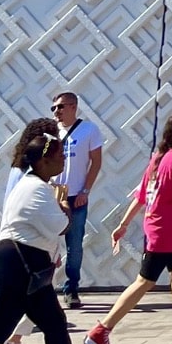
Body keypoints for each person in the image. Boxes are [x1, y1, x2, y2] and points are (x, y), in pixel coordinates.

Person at [85, 113, 172, 344]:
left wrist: (124, 224)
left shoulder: (159, 159)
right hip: (166, 233)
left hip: (160, 229)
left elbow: (141, 196)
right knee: (144, 281)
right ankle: (101, 330)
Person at [0, 127, 113, 344]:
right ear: (42, 161)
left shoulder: (35, 184)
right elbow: (61, 226)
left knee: (56, 326)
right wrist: (63, 205)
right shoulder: (35, 188)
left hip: (29, 272)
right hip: (15, 270)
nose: (64, 160)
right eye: (60, 155)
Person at [0, 118, 58, 344]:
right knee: (7, 316)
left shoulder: (22, 171)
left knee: (52, 321)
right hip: (26, 254)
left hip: (26, 253)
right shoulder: (27, 176)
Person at [50, 90, 103, 309]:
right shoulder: (50, 133)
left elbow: (96, 162)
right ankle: (44, 288)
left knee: (75, 245)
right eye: (53, 108)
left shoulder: (89, 130)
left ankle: (72, 288)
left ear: (73, 106)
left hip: (76, 195)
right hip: (55, 192)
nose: (57, 112)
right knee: (48, 243)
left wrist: (86, 191)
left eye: (60, 107)